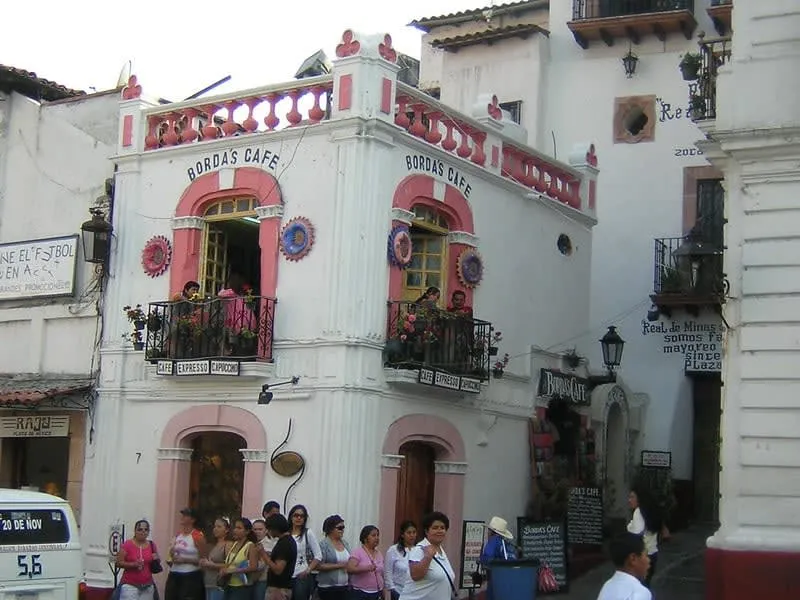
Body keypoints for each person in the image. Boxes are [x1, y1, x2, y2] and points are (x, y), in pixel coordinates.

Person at [400, 512, 456, 600]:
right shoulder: (419, 549)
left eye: (442, 528)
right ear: (426, 531)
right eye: (435, 528)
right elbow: (415, 575)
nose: (439, 530)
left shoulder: (441, 551)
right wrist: (428, 557)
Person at [165, 508, 207, 600]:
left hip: (190, 575)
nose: (183, 517)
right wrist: (171, 554)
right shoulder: (178, 535)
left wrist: (185, 560)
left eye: (186, 515)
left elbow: (204, 561)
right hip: (174, 574)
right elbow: (171, 555)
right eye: (182, 514)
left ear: (192, 519)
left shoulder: (197, 536)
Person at [596, 533, 652, 600]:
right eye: (646, 555)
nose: (648, 560)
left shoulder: (607, 587)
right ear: (633, 559)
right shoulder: (640, 592)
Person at [626, 487, 662, 587]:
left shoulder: (638, 512)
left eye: (632, 497)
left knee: (638, 588)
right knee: (645, 587)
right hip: (653, 553)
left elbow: (636, 533)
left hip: (641, 556)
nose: (629, 500)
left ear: (640, 499)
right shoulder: (650, 512)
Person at [116, 519, 159, 600]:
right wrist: (133, 564)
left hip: (147, 586)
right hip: (130, 585)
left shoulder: (151, 545)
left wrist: (156, 559)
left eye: (146, 530)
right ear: (135, 531)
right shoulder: (127, 545)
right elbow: (118, 563)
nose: (143, 532)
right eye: (140, 529)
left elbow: (155, 562)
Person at [219, 518, 260, 600]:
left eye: (239, 528)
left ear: (247, 531)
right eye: (235, 527)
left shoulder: (250, 545)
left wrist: (232, 571)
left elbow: (254, 567)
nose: (235, 530)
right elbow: (230, 562)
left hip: (241, 587)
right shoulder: (235, 544)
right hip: (229, 584)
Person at [288, 504, 322, 600]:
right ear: (291, 517)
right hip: (286, 576)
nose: (298, 518)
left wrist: (308, 570)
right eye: (296, 515)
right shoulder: (286, 534)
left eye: (302, 516)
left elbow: (318, 555)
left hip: (301, 575)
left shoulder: (308, 533)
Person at [478, 516, 517, 600]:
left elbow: (488, 558)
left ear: (492, 532)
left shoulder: (493, 541)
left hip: (496, 580)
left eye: (489, 530)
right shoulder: (508, 544)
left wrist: (481, 560)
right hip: (510, 582)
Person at [261, 513, 298, 600]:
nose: (268, 532)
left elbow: (278, 570)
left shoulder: (284, 544)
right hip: (280, 588)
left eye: (269, 528)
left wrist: (263, 553)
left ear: (275, 528)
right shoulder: (286, 541)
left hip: (278, 590)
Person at [316, 515, 350, 600]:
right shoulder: (323, 545)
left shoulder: (345, 543)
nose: (342, 530)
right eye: (339, 528)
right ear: (330, 529)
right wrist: (340, 565)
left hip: (344, 586)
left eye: (343, 527)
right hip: (328, 587)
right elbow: (318, 566)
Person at [347, 525, 384, 600]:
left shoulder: (379, 553)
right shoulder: (358, 552)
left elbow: (381, 573)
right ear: (365, 538)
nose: (377, 538)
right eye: (373, 535)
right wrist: (366, 568)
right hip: (361, 593)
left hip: (377, 592)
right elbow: (350, 568)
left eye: (378, 535)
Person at [199, 518, 232, 600]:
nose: (215, 529)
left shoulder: (228, 545)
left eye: (219, 526)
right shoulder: (213, 545)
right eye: (215, 526)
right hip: (208, 583)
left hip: (219, 584)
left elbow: (230, 564)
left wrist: (213, 565)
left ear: (226, 530)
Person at [384, 521, 417, 600]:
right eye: (409, 533)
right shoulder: (393, 550)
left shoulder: (419, 549)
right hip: (398, 591)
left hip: (415, 592)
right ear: (402, 534)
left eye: (414, 532)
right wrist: (392, 589)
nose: (412, 535)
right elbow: (387, 571)